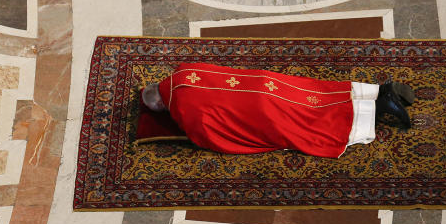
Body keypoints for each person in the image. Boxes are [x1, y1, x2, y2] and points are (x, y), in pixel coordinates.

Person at [140, 62, 414, 158]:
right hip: (263, 83)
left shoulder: (183, 110)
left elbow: (210, 138)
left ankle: (377, 108)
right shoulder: (184, 71)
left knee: (307, 123)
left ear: (162, 105)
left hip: (260, 111)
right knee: (313, 93)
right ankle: (376, 90)